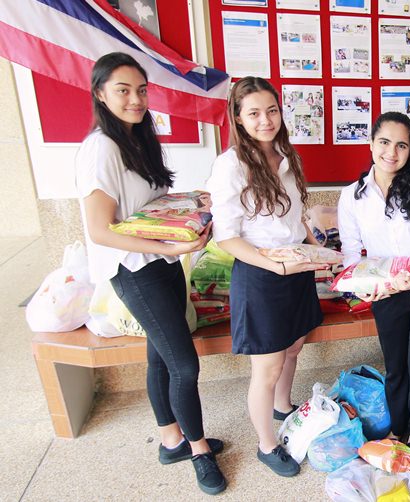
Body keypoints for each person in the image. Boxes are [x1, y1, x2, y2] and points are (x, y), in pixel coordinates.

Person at [75, 52, 226, 495]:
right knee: (184, 363)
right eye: (123, 90)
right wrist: (174, 245)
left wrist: (186, 201)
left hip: (161, 262)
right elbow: (101, 230)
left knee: (160, 355)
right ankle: (199, 450)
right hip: (135, 270)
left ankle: (170, 440)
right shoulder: (100, 147)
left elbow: (144, 207)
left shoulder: (137, 137)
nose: (135, 99)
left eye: (141, 90)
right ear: (101, 94)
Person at [206, 76, 326, 477]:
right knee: (267, 367)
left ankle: (283, 406)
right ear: (238, 118)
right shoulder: (230, 166)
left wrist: (317, 245)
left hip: (296, 267)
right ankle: (267, 444)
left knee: (294, 347)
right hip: (261, 276)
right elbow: (227, 238)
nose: (265, 120)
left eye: (272, 110)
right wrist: (272, 264)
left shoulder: (286, 154)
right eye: (254, 113)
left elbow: (294, 216)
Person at [338, 112, 410, 459]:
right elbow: (350, 250)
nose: (392, 152)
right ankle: (396, 427)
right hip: (386, 291)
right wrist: (360, 285)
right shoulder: (352, 196)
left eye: (401, 144)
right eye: (384, 142)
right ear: (371, 143)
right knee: (396, 365)